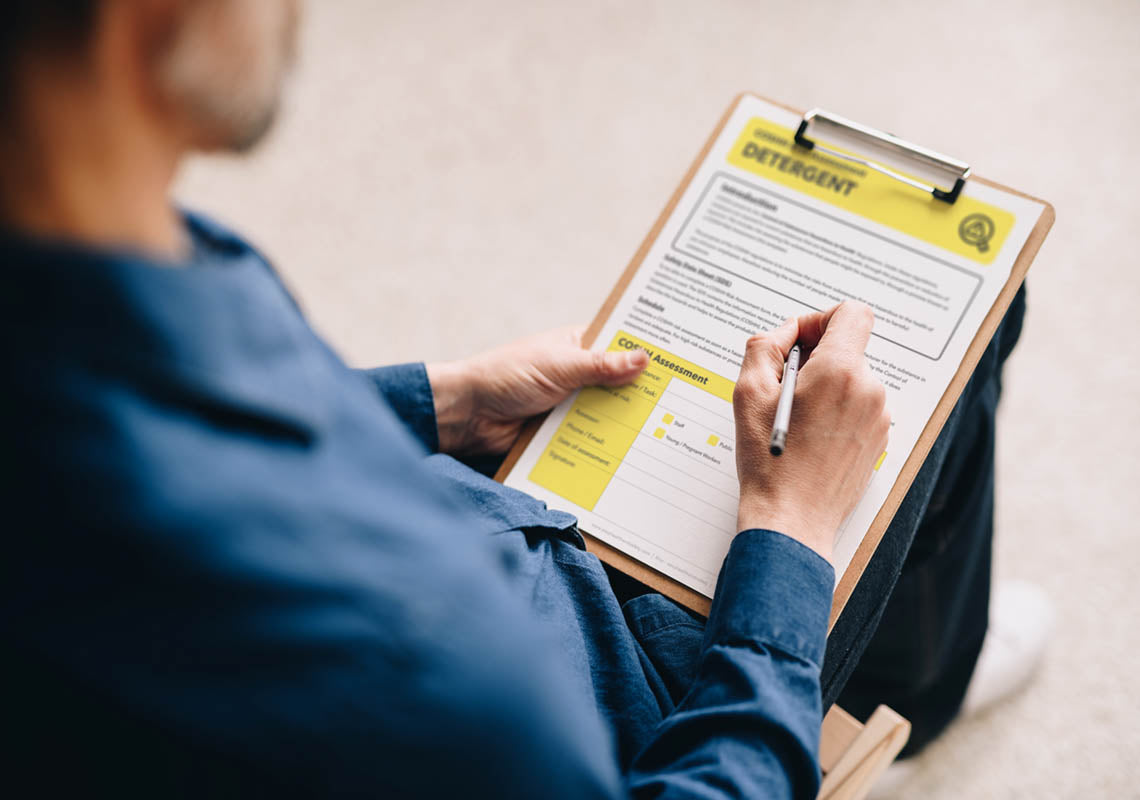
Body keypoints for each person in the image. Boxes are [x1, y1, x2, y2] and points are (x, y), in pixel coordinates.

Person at [1, 2, 1048, 797]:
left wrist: (438, 403)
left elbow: (207, 432)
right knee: (964, 317)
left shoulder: (106, 275)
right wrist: (788, 547)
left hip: (498, 527)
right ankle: (896, 703)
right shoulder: (429, 656)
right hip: (638, 688)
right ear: (148, 22)